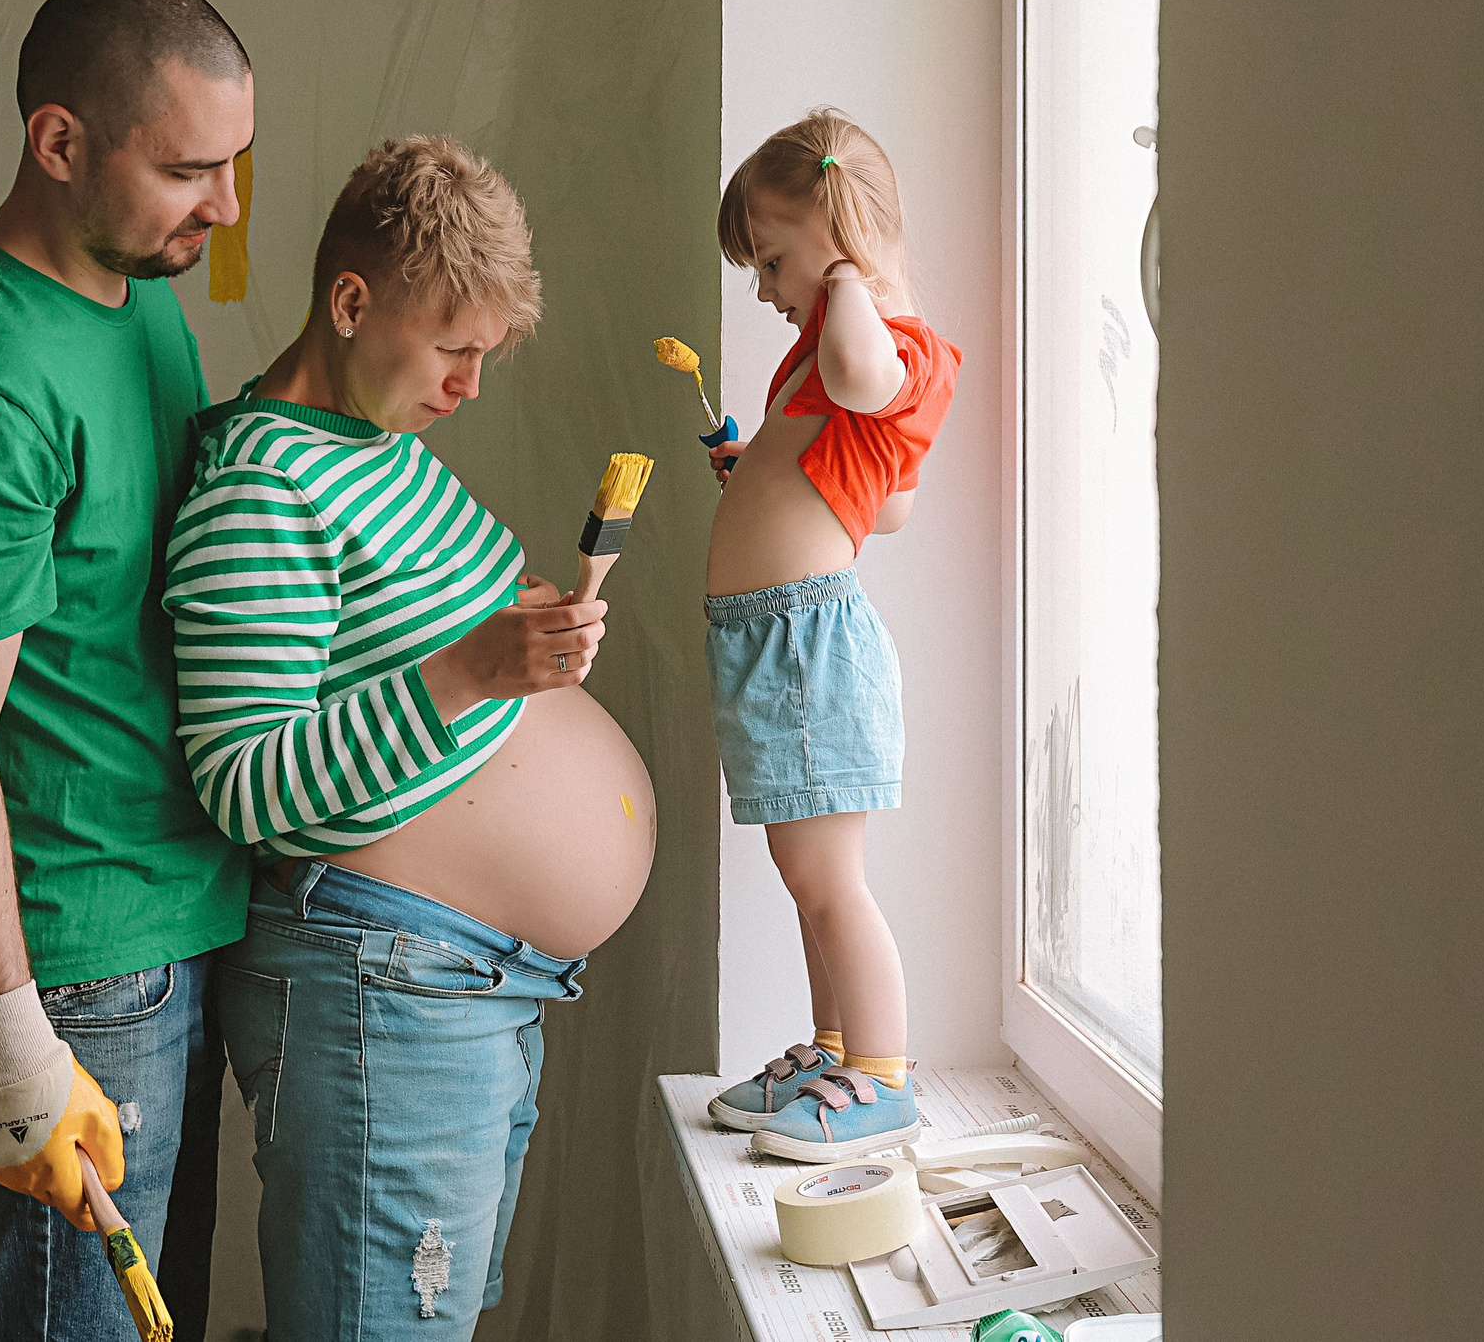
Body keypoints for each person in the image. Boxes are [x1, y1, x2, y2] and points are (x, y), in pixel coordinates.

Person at [163, 135, 657, 1341]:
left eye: (486, 355)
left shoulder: (376, 452)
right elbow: (244, 782)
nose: (469, 387)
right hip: (381, 992)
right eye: (452, 349)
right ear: (350, 301)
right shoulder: (261, 488)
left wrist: (518, 630)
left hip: (460, 988)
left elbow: (410, 657)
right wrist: (476, 666)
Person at [0, 0, 254, 1338]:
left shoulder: (136, 295)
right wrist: (12, 1043)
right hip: (75, 970)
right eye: (192, 168)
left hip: (180, 913)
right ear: (61, 141)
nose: (228, 206)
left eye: (236, 162)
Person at [700, 110, 963, 1159]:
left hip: (807, 645)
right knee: (802, 876)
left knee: (829, 879)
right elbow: (881, 502)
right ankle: (833, 1047)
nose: (767, 291)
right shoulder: (832, 347)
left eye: (773, 261)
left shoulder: (892, 346)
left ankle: (882, 1077)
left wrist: (849, 281)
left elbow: (864, 385)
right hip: (770, 640)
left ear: (837, 228)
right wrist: (760, 467)